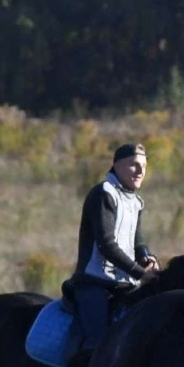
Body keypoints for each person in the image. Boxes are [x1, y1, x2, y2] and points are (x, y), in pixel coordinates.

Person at [67, 143, 158, 350]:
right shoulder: (103, 193)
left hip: (124, 283)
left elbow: (137, 240)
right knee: (99, 342)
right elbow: (106, 244)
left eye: (144, 166)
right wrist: (139, 272)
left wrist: (146, 256)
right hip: (94, 282)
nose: (141, 171)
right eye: (134, 165)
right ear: (117, 166)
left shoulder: (136, 201)